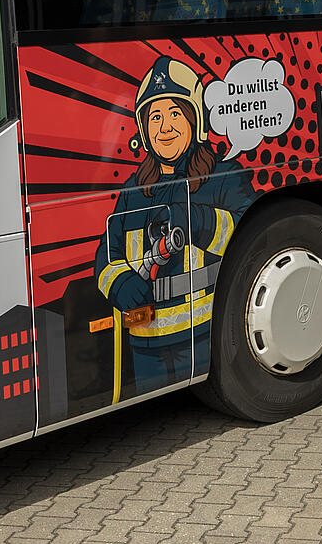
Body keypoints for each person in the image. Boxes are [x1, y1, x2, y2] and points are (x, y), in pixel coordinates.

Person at [94, 59, 257, 395]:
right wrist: (121, 282)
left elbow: (254, 237)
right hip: (145, 340)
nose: (164, 127)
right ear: (144, 129)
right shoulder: (133, 191)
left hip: (206, 331)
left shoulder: (224, 177)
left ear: (194, 121)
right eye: (155, 117)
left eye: (174, 114)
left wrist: (198, 221)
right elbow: (106, 255)